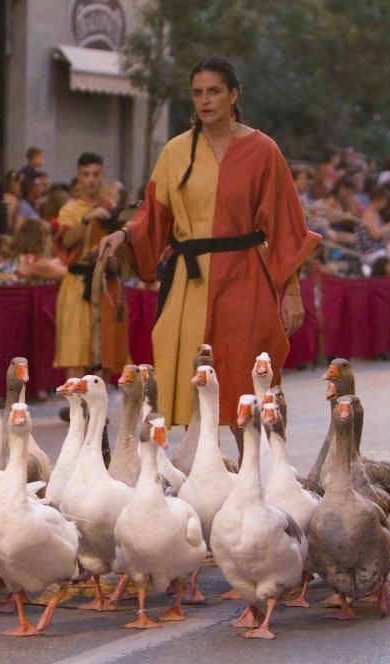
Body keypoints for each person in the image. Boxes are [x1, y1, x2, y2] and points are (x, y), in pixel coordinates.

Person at [99, 56, 319, 428]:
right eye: (197, 93)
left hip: (245, 276)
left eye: (214, 91)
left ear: (233, 94)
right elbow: (152, 215)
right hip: (190, 281)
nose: (205, 100)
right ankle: (205, 473)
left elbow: (285, 225)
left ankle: (251, 469)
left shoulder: (263, 150)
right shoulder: (175, 151)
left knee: (243, 378)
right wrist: (122, 234)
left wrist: (292, 292)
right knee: (190, 379)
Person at [53, 152, 128, 378]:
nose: (91, 179)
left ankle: (99, 410)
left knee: (104, 350)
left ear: (102, 175)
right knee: (74, 351)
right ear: (79, 177)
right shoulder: (69, 210)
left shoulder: (112, 208)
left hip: (106, 282)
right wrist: (87, 218)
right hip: (76, 284)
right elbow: (65, 241)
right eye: (86, 174)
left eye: (96, 174)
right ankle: (76, 408)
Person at [0, 218, 67, 284]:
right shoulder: (31, 261)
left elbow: (50, 264)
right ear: (41, 241)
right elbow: (68, 274)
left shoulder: (19, 258)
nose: (51, 241)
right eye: (49, 237)